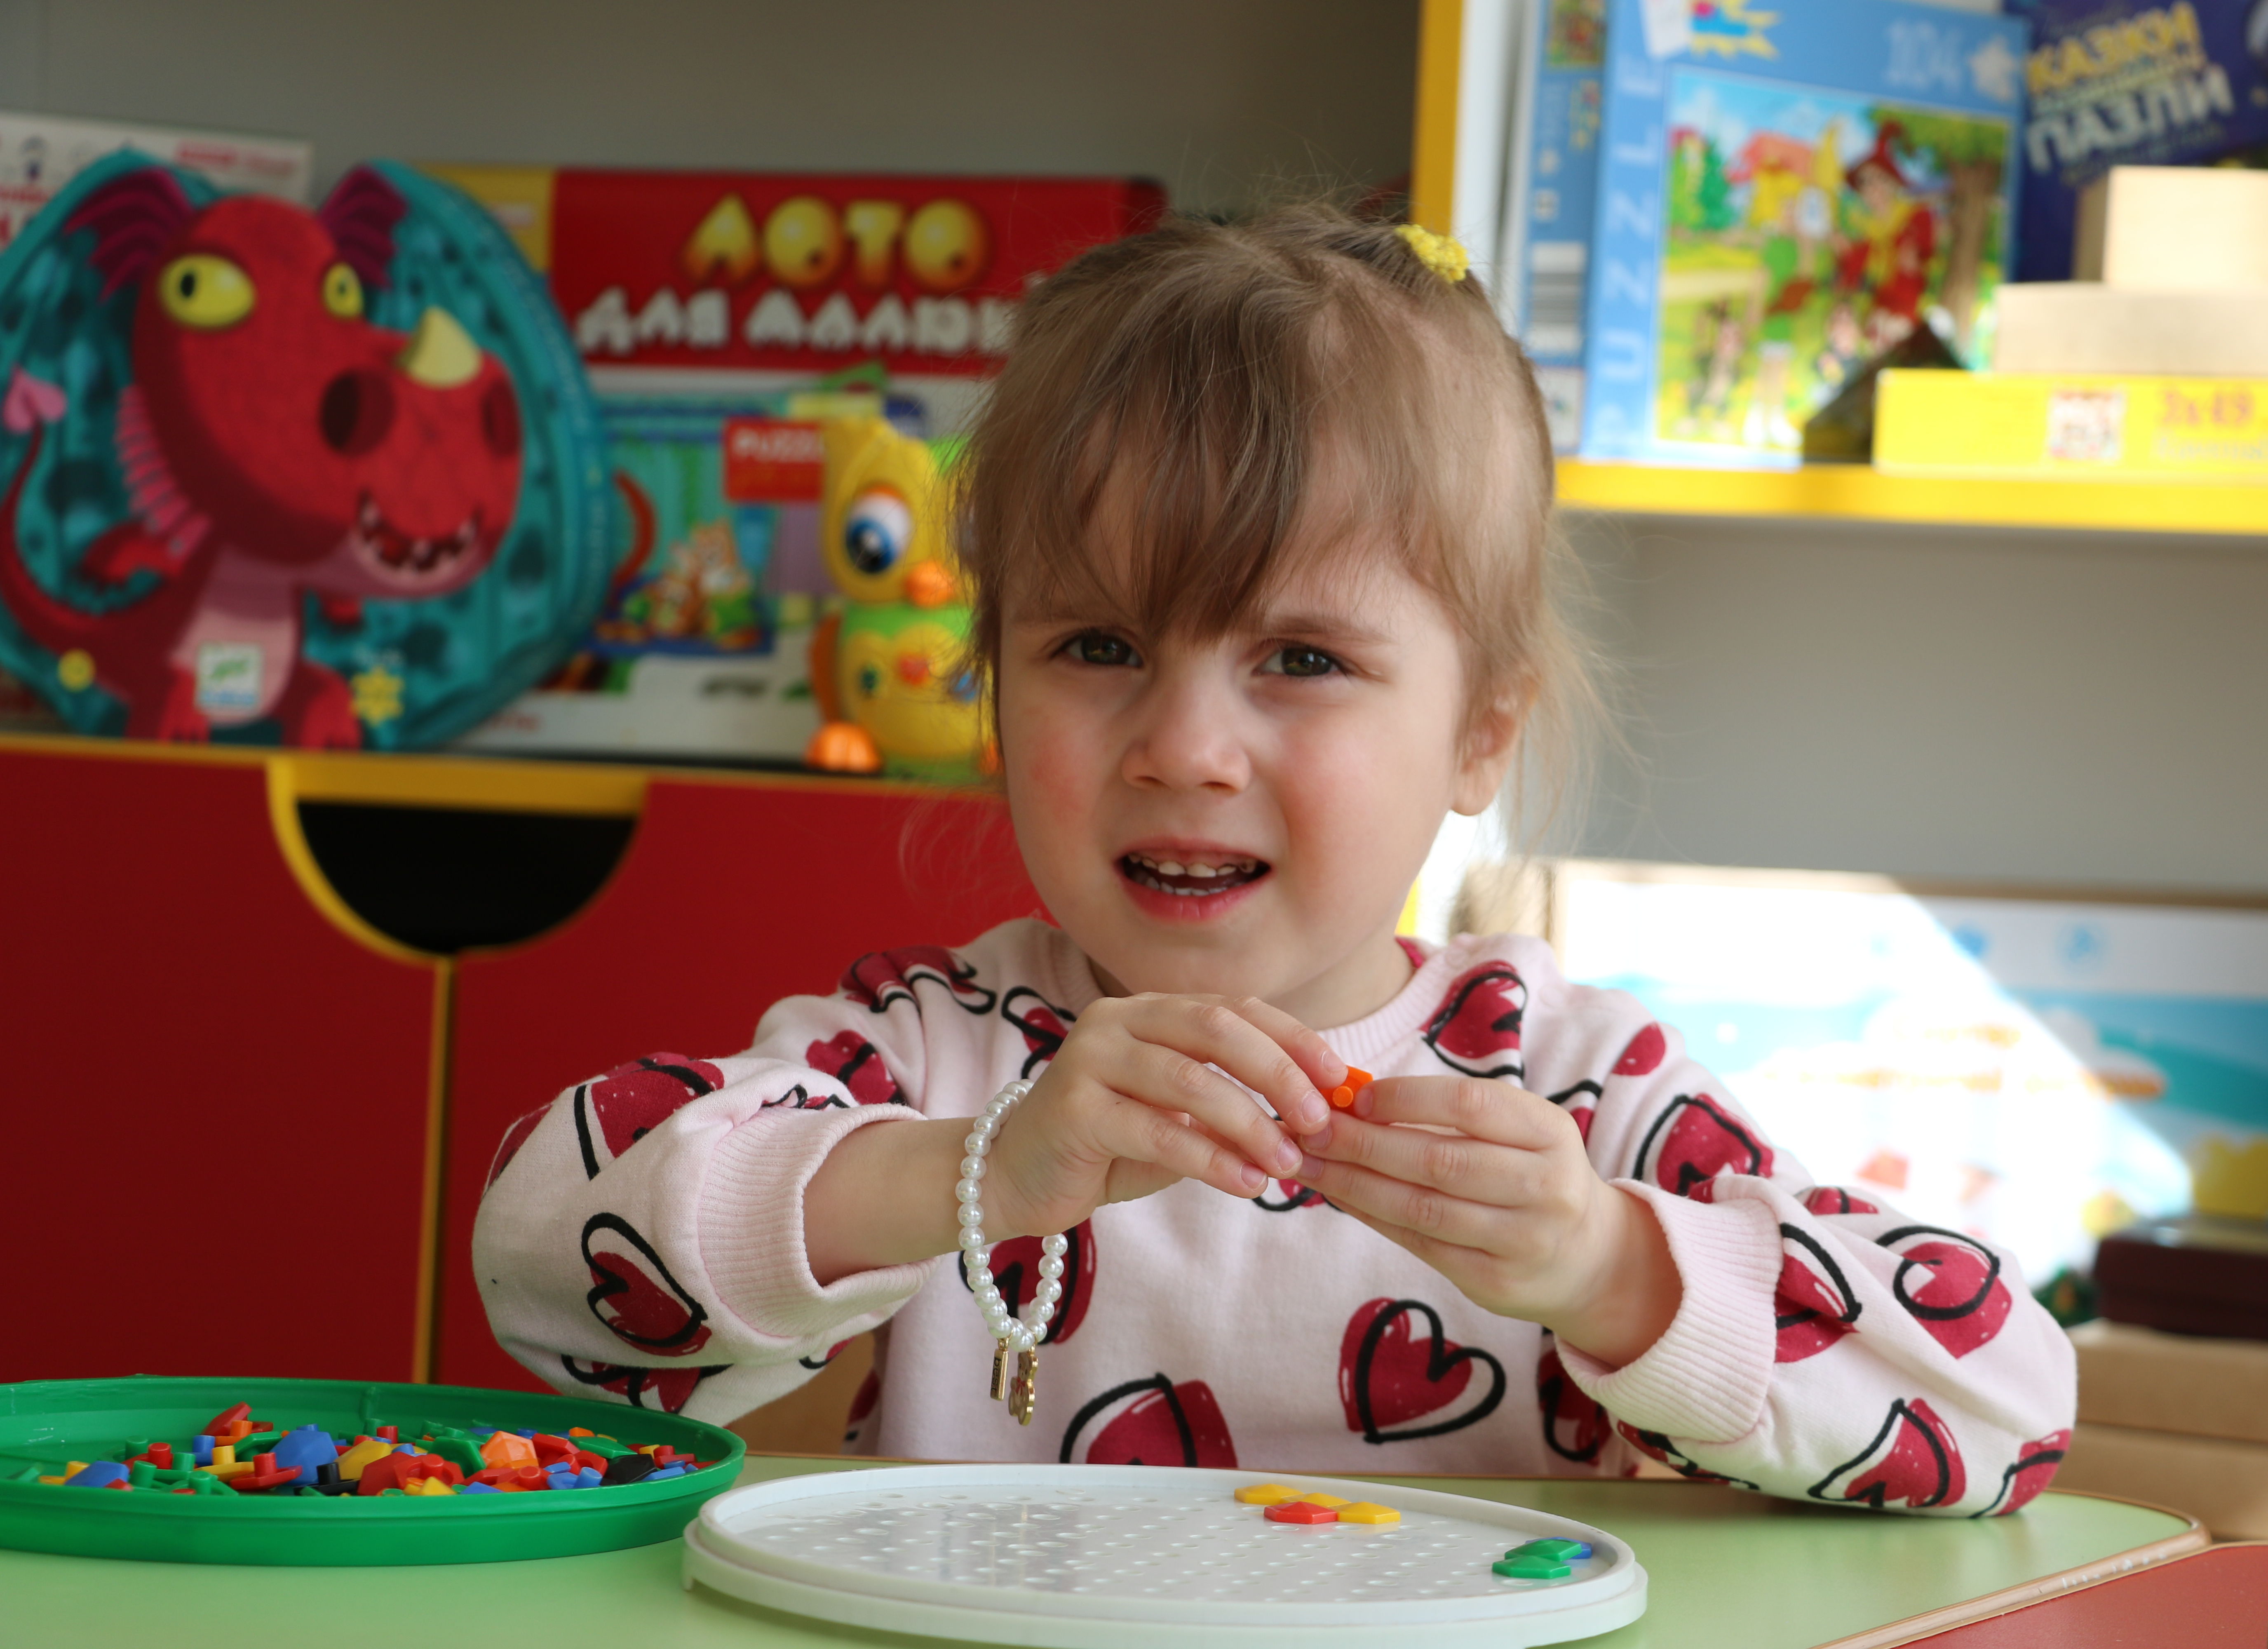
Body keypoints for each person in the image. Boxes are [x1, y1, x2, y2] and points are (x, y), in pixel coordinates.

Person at [476, 207, 2073, 1511]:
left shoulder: (1570, 1093)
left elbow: (2007, 1402)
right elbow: (540, 1264)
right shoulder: (942, 1056)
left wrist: (1609, 1267)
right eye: (1098, 644)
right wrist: (970, 1173)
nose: (1184, 746)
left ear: (1480, 735)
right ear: (991, 688)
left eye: (1301, 659)